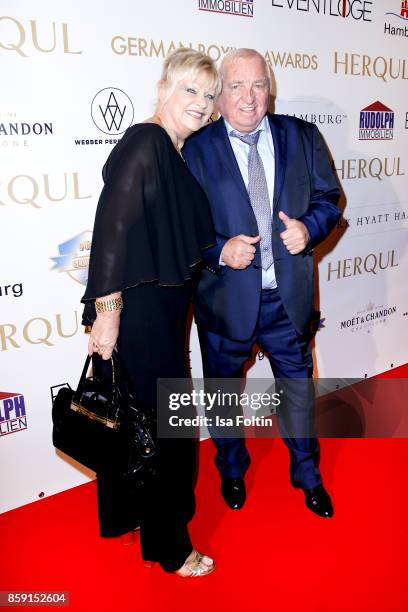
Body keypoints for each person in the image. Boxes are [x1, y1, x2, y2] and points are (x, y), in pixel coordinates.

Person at [183, 48, 340, 517]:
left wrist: (309, 228)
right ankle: (231, 470)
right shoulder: (197, 148)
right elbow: (183, 228)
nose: (248, 98)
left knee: (298, 394)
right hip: (224, 303)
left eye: (257, 85)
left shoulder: (302, 135)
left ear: (269, 89)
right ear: (220, 95)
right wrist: (218, 250)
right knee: (223, 399)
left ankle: (308, 476)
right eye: (236, 86)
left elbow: (330, 198)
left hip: (286, 301)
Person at [81, 48, 220, 576]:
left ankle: (131, 514)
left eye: (209, 95)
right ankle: (171, 547)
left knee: (134, 421)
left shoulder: (171, 150)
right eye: (191, 90)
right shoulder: (148, 140)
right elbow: (111, 228)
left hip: (158, 314)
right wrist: (108, 313)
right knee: (169, 430)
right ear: (163, 88)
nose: (202, 103)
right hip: (138, 313)